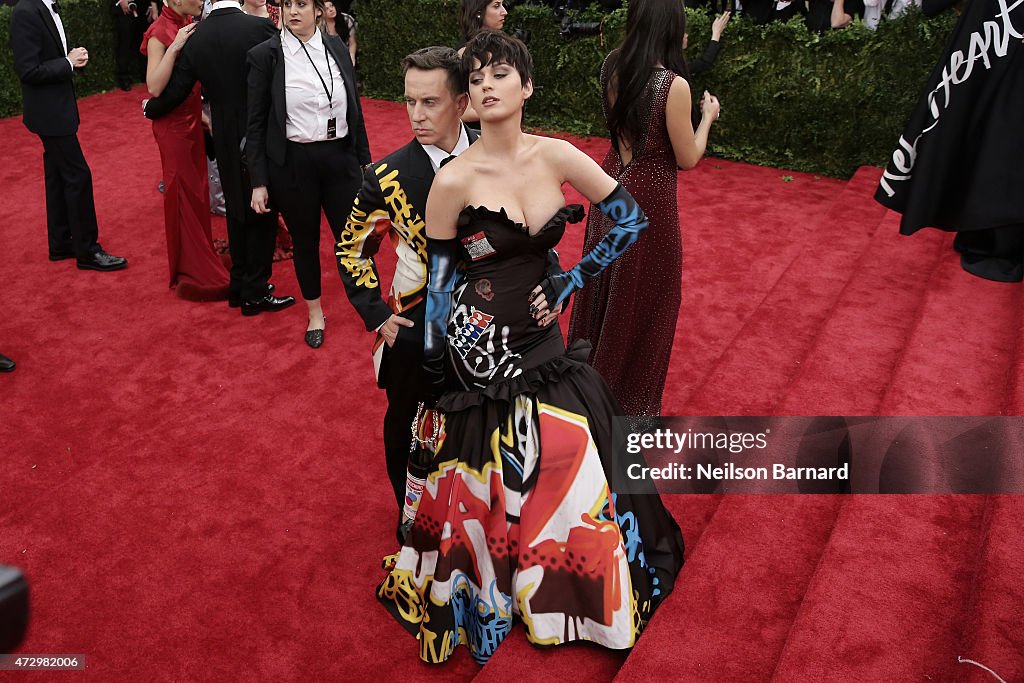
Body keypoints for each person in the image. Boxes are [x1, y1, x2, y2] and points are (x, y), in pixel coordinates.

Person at [377, 30, 684, 664]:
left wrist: (571, 278)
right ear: (468, 98)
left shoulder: (558, 156)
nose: (487, 84)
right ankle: (498, 585)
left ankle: (553, 582)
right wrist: (437, 371)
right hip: (476, 346)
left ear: (527, 87)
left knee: (566, 457)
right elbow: (438, 286)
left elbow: (630, 217)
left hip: (543, 340)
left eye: (500, 74)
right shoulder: (453, 181)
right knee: (488, 465)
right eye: (477, 76)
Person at [336, 46, 476, 533]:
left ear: (461, 103)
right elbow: (351, 249)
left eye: (430, 102)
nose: (416, 115)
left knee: (482, 426)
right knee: (407, 424)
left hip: (487, 322)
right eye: (409, 101)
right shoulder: (386, 176)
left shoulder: (494, 153)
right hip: (414, 327)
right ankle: (411, 516)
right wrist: (377, 314)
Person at [567, 0, 720, 417]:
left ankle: (582, 393)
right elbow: (687, 157)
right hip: (648, 202)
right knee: (647, 304)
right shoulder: (673, 85)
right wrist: (707, 118)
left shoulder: (611, 65)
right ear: (671, 27)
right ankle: (627, 409)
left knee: (604, 292)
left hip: (609, 187)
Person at [145, 0, 295, 314]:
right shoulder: (260, 28)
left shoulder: (197, 37)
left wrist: (151, 109)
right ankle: (255, 292)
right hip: (258, 131)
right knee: (263, 209)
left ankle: (239, 286)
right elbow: (285, 77)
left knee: (236, 209)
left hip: (224, 135)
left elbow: (176, 90)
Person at [247, 0, 370, 347]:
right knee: (305, 242)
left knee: (355, 239)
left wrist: (366, 163)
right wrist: (258, 181)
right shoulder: (265, 55)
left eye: (301, 3)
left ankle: (371, 306)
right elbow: (255, 124)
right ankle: (315, 313)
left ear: (318, 9)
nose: (293, 11)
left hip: (340, 158)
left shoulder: (335, 46)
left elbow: (354, 107)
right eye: (287, 4)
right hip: (294, 164)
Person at [875, 0, 1024, 281]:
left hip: (998, 37)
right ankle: (990, 237)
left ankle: (989, 235)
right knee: (998, 136)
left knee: (999, 134)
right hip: (997, 38)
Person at [10, 0, 129, 271]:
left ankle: (61, 242)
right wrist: (67, 62)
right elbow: (28, 70)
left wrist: (72, 59)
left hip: (55, 109)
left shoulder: (43, 8)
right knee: (78, 175)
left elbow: (47, 57)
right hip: (49, 114)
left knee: (57, 175)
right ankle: (88, 251)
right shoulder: (26, 11)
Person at [142, 0, 232, 300]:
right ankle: (192, 269)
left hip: (193, 121)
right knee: (181, 193)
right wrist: (175, 46)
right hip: (174, 129)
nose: (201, 1)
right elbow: (154, 87)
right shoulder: (159, 32)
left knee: (197, 191)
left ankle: (199, 256)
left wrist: (204, 117)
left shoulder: (186, 22)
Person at [458, 0, 507, 125]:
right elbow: (464, 112)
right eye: (496, 6)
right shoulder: (465, 54)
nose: (504, 12)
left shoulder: (505, 48)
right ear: (478, 12)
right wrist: (508, 108)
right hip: (479, 135)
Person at [111, 0, 156, 90]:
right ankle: (123, 77)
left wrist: (152, 5)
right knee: (125, 43)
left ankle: (146, 74)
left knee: (145, 41)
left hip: (144, 7)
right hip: (125, 6)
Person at [322, 0, 356, 66]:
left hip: (346, 53)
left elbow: (352, 43)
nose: (331, 10)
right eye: (326, 9)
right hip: (330, 58)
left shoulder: (346, 19)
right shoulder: (320, 25)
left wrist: (351, 58)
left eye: (331, 6)